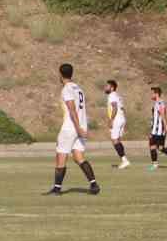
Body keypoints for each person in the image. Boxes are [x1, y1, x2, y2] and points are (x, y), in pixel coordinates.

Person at [49, 63, 100, 195]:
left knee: (61, 155)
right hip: (81, 126)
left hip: (71, 127)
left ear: (60, 74)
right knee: (78, 157)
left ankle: (57, 188)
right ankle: (94, 184)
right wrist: (81, 128)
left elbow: (72, 109)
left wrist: (77, 127)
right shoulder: (78, 88)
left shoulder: (66, 89)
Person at [105, 79, 130, 170]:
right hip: (121, 118)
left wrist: (111, 120)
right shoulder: (117, 95)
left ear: (112, 88)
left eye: (107, 86)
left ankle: (124, 160)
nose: (105, 87)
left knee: (114, 140)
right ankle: (124, 160)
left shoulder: (111, 95)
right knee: (117, 140)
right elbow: (122, 108)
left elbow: (115, 107)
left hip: (117, 119)